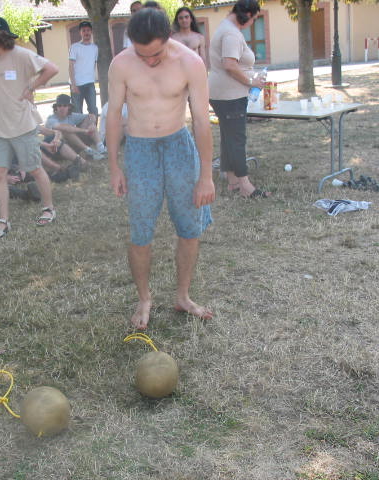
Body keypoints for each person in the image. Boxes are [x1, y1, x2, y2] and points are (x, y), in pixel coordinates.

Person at [106, 8, 216, 330]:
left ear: (168, 38)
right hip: (140, 150)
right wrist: (114, 167)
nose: (150, 61)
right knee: (141, 231)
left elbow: (201, 121)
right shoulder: (121, 64)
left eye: (156, 54)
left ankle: (183, 296)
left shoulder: (190, 63)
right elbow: (113, 116)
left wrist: (206, 175)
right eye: (142, 55)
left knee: (189, 226)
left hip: (179, 146)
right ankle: (144, 298)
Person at [0, 16, 58, 239]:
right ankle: (3, 221)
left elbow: (51, 68)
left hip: (23, 125)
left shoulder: (21, 55)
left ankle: (49, 208)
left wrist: (30, 86)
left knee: (34, 168)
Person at [208, 0, 270, 198]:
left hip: (223, 93)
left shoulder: (226, 27)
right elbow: (230, 65)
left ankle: (233, 181)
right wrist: (251, 82)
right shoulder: (231, 34)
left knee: (229, 137)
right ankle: (245, 185)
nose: (252, 23)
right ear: (246, 14)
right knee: (236, 139)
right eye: (254, 19)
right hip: (230, 95)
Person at [46, 94, 105, 160]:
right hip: (57, 150)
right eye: (59, 105)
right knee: (66, 131)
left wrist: (92, 124)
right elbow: (65, 128)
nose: (62, 108)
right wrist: (84, 130)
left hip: (71, 147)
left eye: (65, 105)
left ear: (69, 107)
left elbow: (91, 116)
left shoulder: (71, 116)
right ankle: (88, 150)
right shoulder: (51, 119)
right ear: (56, 107)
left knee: (89, 122)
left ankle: (101, 148)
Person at [69, 21, 98, 116]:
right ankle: (80, 127)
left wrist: (92, 78)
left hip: (90, 84)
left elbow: (94, 64)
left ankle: (92, 126)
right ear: (80, 32)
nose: (86, 33)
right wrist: (73, 84)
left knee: (93, 110)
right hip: (77, 84)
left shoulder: (95, 48)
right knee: (77, 112)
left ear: (91, 32)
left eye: (88, 30)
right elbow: (71, 66)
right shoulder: (74, 47)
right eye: (84, 30)